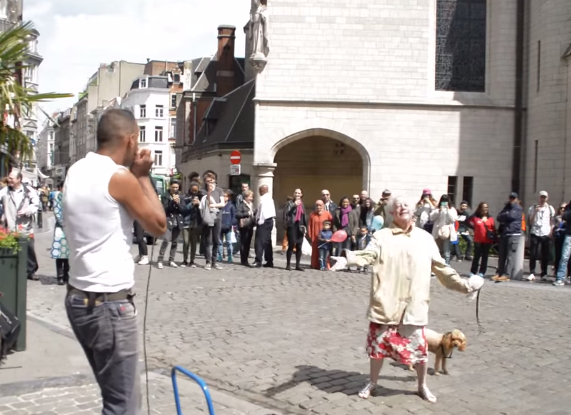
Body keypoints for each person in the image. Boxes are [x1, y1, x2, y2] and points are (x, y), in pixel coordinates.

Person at [63, 108, 166, 415]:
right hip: (109, 305)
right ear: (131, 139)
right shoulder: (118, 178)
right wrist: (144, 176)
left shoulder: (76, 169)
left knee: (113, 397)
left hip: (79, 298)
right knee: (123, 407)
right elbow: (159, 226)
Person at [331, 196, 484, 403]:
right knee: (377, 349)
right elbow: (368, 255)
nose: (402, 207)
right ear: (392, 213)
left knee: (420, 351)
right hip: (386, 303)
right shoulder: (382, 236)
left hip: (413, 305)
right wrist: (347, 258)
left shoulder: (425, 238)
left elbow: (441, 268)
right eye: (397, 206)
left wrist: (464, 286)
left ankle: (422, 385)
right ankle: (372, 382)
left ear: (413, 211)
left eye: (406, 205)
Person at [0, 170, 40, 280]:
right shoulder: (5, 191)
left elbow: (36, 204)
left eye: (12, 178)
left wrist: (27, 211)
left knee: (29, 248)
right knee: (12, 247)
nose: (9, 180)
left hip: (25, 225)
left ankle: (31, 271)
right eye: (9, 178)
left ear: (19, 179)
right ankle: (14, 270)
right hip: (10, 225)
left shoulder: (28, 191)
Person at [525, 191, 555, 282]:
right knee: (533, 253)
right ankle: (532, 272)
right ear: (539, 198)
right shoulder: (533, 208)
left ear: (547, 198)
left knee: (544, 254)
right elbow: (530, 222)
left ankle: (544, 273)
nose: (543, 199)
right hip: (535, 232)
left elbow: (552, 221)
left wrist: (551, 231)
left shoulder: (550, 209)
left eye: (544, 197)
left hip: (545, 232)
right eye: (541, 197)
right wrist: (535, 212)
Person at [493, 192, 523, 282]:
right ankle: (500, 273)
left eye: (513, 198)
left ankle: (507, 274)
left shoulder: (518, 208)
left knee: (510, 256)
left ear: (517, 199)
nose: (512, 200)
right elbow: (498, 217)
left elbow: (511, 216)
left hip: (513, 234)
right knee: (502, 255)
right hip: (505, 233)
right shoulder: (506, 207)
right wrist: (505, 214)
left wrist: (505, 215)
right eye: (510, 198)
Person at [200, 172, 225, 270]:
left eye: (211, 180)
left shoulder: (219, 190)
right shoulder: (203, 191)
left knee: (216, 240)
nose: (210, 183)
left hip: (218, 217)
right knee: (208, 240)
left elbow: (222, 204)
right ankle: (208, 262)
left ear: (214, 180)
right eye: (207, 181)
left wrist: (214, 206)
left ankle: (214, 261)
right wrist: (209, 192)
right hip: (208, 217)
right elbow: (207, 202)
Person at [157, 181, 183, 269]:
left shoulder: (180, 196)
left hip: (177, 221)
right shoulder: (165, 196)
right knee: (166, 240)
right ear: (170, 187)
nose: (175, 189)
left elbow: (183, 209)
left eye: (177, 187)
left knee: (175, 242)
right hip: (168, 220)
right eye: (174, 187)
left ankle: (171, 260)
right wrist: (172, 202)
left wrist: (178, 203)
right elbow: (165, 209)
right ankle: (160, 260)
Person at [469, 202, 495, 277]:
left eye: (487, 207)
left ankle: (482, 272)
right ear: (480, 208)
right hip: (478, 240)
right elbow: (467, 221)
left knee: (485, 257)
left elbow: (493, 228)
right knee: (476, 256)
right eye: (484, 207)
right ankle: (473, 271)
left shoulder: (490, 218)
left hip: (487, 240)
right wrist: (474, 228)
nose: (485, 209)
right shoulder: (475, 217)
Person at [50, 182, 69, 286]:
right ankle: (60, 276)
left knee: (68, 254)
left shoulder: (70, 197)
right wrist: (64, 224)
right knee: (60, 254)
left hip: (70, 229)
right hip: (60, 229)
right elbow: (57, 212)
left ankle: (67, 275)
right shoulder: (57, 197)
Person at [430, 195, 458, 265]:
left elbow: (453, 220)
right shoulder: (437, 209)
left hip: (447, 232)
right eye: (443, 201)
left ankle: (447, 266)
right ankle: (437, 267)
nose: (444, 203)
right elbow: (431, 218)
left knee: (446, 252)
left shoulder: (452, 209)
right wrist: (439, 211)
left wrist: (448, 210)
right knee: (437, 251)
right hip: (437, 232)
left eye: (446, 201)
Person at [283, 188, 307, 271]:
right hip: (292, 226)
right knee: (291, 245)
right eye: (296, 193)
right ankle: (288, 264)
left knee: (299, 246)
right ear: (293, 194)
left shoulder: (302, 204)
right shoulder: (289, 203)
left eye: (299, 193)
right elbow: (286, 213)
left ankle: (297, 265)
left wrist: (305, 227)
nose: (297, 194)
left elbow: (304, 216)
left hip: (299, 226)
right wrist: (294, 206)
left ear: (301, 195)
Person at [253, 184, 275, 268]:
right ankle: (269, 261)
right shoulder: (270, 198)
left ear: (262, 191)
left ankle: (258, 261)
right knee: (267, 242)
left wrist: (258, 222)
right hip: (270, 221)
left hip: (264, 222)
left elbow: (262, 213)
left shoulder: (263, 199)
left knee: (259, 242)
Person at [180, 182, 202, 268]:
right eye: (193, 190)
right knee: (186, 242)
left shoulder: (201, 196)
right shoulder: (184, 197)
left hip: (196, 223)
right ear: (190, 189)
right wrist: (192, 204)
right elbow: (183, 209)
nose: (194, 192)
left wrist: (199, 204)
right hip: (186, 222)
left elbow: (204, 209)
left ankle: (192, 261)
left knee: (194, 243)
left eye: (196, 190)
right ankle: (185, 260)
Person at [307, 200, 333, 270]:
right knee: (315, 251)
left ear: (323, 206)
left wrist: (331, 236)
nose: (318, 207)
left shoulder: (327, 214)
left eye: (320, 205)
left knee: (325, 252)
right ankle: (314, 264)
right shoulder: (312, 214)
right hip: (315, 236)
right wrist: (309, 234)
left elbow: (332, 224)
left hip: (325, 236)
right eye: (317, 205)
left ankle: (325, 265)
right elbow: (309, 225)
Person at [236, 189, 256, 266]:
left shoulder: (251, 204)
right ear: (246, 197)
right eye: (250, 197)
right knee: (243, 243)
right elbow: (237, 215)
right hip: (244, 226)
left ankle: (246, 259)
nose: (251, 198)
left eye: (252, 197)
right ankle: (243, 260)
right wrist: (247, 213)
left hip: (250, 225)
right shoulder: (241, 205)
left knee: (248, 243)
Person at [554, 201, 571, 286]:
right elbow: (565, 215)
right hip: (569, 235)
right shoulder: (569, 206)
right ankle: (560, 278)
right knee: (564, 257)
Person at [218, 189, 237, 263]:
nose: (224, 198)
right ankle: (219, 255)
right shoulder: (219, 205)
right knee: (220, 242)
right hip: (219, 226)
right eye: (223, 196)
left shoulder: (231, 206)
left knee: (229, 242)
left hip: (228, 227)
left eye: (225, 196)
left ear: (228, 197)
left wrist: (230, 224)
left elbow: (234, 217)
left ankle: (230, 256)